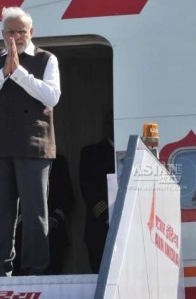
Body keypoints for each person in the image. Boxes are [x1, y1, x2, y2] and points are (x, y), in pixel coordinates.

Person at [0, 6, 61, 277]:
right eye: (11, 31)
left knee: (35, 215)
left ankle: (37, 272)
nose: (16, 36)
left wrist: (19, 73)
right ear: (2, 34)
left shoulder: (47, 59)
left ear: (31, 32)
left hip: (34, 147)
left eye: (21, 31)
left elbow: (52, 96)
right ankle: (0, 273)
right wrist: (3, 73)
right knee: (0, 214)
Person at [13, 154, 74, 275]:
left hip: (51, 234)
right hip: (20, 235)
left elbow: (67, 197)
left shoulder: (56, 161)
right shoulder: (12, 162)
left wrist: (53, 219)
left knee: (50, 280)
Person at [79, 111, 115, 273]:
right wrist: (108, 215)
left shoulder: (136, 152)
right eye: (110, 122)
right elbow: (88, 189)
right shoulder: (91, 153)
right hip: (100, 226)